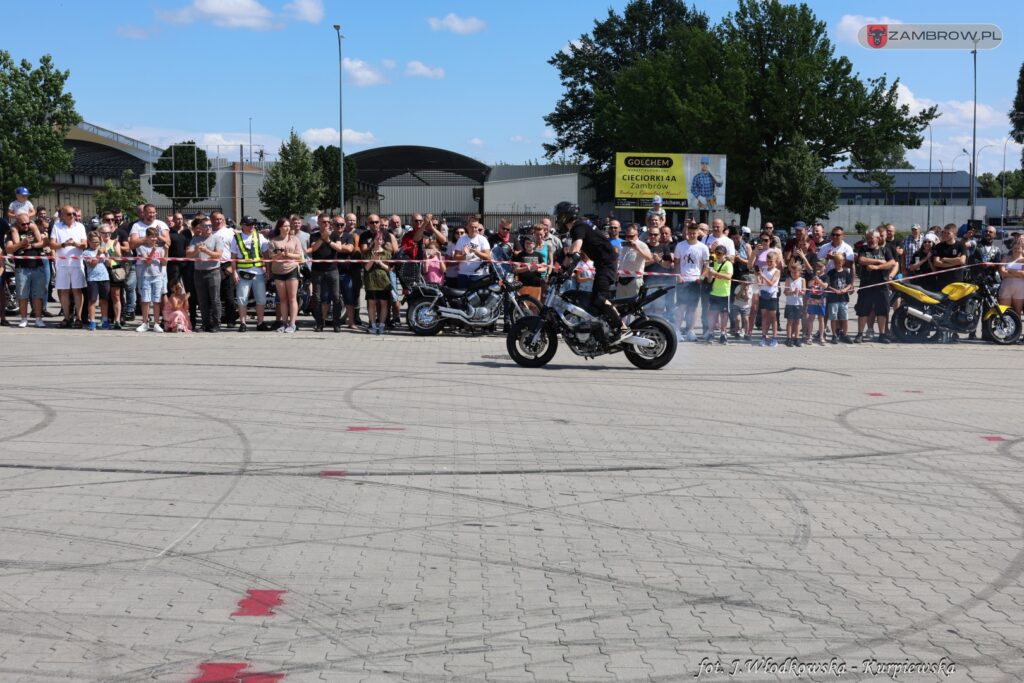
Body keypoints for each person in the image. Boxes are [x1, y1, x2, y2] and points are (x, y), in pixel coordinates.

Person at [557, 200, 628, 341]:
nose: (558, 219)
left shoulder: (578, 227)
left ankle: (622, 328)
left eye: (559, 215)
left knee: (601, 299)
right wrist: (563, 268)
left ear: (565, 216)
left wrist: (567, 269)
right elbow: (573, 250)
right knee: (595, 301)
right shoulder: (581, 223)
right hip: (603, 263)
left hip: (606, 264)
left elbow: (576, 248)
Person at [187, 216, 229, 333]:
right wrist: (197, 250)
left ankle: (216, 324)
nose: (209, 228)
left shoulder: (217, 239)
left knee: (215, 299)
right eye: (206, 226)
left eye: (210, 226)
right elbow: (189, 255)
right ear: (200, 227)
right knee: (202, 300)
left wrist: (206, 251)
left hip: (213, 271)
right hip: (199, 272)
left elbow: (218, 255)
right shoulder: (195, 239)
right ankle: (205, 324)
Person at [229, 216, 271, 332]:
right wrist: (234, 273)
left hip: (258, 273)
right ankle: (243, 323)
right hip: (243, 273)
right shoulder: (236, 238)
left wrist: (268, 270)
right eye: (248, 224)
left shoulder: (260, 236)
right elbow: (233, 257)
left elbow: (266, 255)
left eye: (253, 224)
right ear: (242, 225)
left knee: (261, 299)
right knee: (242, 299)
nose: (251, 226)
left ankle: (260, 322)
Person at [854, 229, 896, 344]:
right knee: (863, 310)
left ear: (878, 238)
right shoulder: (863, 249)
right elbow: (862, 260)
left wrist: (877, 267)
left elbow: (892, 263)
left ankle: (882, 335)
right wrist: (879, 261)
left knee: (882, 310)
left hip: (881, 285)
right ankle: (860, 334)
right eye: (868, 238)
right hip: (866, 284)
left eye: (871, 238)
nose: (869, 240)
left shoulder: (885, 250)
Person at [5, 212, 47, 328]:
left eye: (28, 223)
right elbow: (8, 249)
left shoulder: (33, 228)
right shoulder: (12, 231)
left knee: (38, 295)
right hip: (22, 269)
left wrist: (32, 246)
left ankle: (38, 318)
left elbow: (44, 243)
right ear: (17, 223)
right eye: (23, 224)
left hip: (38, 267)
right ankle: (23, 319)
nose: (26, 226)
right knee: (22, 295)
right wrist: (21, 244)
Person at [49, 205, 87, 328]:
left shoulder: (80, 226)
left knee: (77, 290)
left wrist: (75, 243)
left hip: (76, 264)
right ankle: (66, 317)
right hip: (62, 264)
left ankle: (79, 318)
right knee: (63, 291)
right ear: (63, 215)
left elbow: (84, 244)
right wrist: (64, 244)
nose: (72, 216)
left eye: (74, 214)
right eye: (69, 214)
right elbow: (52, 244)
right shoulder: (57, 226)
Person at [673, 221, 709, 341]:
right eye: (690, 233)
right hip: (683, 281)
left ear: (698, 233)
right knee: (681, 306)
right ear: (687, 232)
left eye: (694, 233)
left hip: (696, 281)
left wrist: (702, 277)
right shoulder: (680, 245)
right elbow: (677, 262)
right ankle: (677, 330)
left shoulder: (703, 247)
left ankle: (690, 331)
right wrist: (678, 275)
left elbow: (707, 265)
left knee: (693, 308)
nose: (692, 235)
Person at [307, 214, 343, 332]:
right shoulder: (314, 236)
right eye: (323, 222)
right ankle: (319, 323)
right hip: (317, 271)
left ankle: (336, 324)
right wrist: (322, 239)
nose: (326, 224)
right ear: (318, 223)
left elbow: (339, 248)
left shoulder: (335, 235)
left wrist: (328, 240)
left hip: (332, 270)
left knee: (336, 297)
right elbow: (313, 249)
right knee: (317, 298)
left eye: (328, 222)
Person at [269, 217, 303, 333]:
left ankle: (292, 323)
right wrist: (279, 254)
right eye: (285, 226)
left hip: (292, 270)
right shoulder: (274, 241)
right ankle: (284, 323)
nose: (287, 228)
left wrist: (288, 254)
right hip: (278, 271)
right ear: (279, 227)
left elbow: (299, 256)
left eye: (289, 226)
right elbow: (271, 257)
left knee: (292, 298)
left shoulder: (295, 240)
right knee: (282, 299)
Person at [135, 227, 166, 332]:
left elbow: (164, 263)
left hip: (158, 276)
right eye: (151, 237)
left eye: (155, 237)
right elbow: (147, 262)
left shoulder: (161, 248)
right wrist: (153, 251)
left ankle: (156, 323)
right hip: (146, 276)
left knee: (157, 300)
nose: (153, 239)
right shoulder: (141, 248)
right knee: (145, 300)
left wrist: (166, 250)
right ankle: (145, 323)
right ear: (147, 237)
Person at [363, 227, 392, 335]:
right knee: (371, 304)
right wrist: (373, 259)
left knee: (384, 303)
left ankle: (382, 325)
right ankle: (373, 325)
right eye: (377, 239)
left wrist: (380, 263)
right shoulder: (368, 253)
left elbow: (390, 269)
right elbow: (366, 268)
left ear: (383, 241)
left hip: (384, 282)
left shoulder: (387, 253)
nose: (379, 241)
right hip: (371, 281)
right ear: (373, 240)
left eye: (381, 239)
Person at [98, 222, 126, 329]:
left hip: (115, 269)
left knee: (116, 296)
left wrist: (111, 250)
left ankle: (117, 320)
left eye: (109, 233)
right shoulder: (97, 243)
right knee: (103, 297)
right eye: (104, 233)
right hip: (101, 270)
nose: (106, 235)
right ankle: (104, 318)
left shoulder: (114, 242)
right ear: (99, 233)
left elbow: (119, 257)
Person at [703, 243, 732, 344]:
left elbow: (729, 276)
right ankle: (711, 333)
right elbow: (710, 280)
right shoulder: (713, 264)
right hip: (714, 293)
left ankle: (723, 334)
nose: (719, 255)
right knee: (712, 314)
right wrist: (710, 273)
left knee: (724, 315)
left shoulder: (728, 264)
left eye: (721, 253)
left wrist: (715, 273)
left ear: (724, 254)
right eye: (717, 253)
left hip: (724, 293)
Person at [81, 231, 111, 331]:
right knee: (92, 300)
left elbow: (109, 264)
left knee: (104, 300)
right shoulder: (86, 252)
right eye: (93, 241)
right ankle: (92, 321)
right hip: (93, 279)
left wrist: (106, 255)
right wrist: (98, 254)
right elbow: (92, 264)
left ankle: (105, 320)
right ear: (89, 241)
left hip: (104, 277)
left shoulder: (103, 250)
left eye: (98, 242)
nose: (96, 244)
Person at [616, 223, 652, 300]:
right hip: (621, 279)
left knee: (634, 306)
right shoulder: (624, 245)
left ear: (637, 234)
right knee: (620, 305)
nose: (629, 239)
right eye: (627, 236)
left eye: (631, 236)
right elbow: (621, 261)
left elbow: (649, 257)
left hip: (634, 279)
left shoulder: (642, 245)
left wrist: (637, 248)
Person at [452, 218, 491, 288]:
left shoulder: (483, 239)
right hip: (463, 274)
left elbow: (488, 257)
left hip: (478, 275)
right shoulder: (461, 239)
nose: (473, 229)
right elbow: (455, 257)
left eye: (475, 227)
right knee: (462, 297)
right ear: (467, 227)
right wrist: (465, 256)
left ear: (478, 227)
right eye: (471, 227)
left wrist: (476, 252)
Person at [998, 238, 1024, 339]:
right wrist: (1018, 273)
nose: (1016, 250)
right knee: (1005, 312)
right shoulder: (1006, 258)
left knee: (1017, 312)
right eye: (1015, 248)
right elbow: (1002, 272)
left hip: (1020, 289)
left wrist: (1010, 270)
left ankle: (1016, 334)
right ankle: (1007, 333)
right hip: (1006, 287)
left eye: (1019, 248)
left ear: (1022, 249)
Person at [826, 252, 854, 344]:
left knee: (844, 317)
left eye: (839, 262)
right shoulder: (830, 273)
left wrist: (845, 289)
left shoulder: (846, 272)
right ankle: (834, 335)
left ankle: (845, 334)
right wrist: (835, 290)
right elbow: (827, 285)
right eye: (836, 262)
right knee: (833, 317)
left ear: (843, 262)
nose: (838, 264)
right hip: (833, 299)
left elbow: (850, 284)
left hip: (843, 299)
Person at [930, 223, 967, 292]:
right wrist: (955, 262)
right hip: (943, 281)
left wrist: (945, 259)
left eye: (948, 233)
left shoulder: (961, 245)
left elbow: (962, 261)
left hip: (957, 280)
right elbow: (937, 263)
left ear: (954, 234)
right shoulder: (939, 246)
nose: (945, 235)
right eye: (944, 233)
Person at [756, 250, 781, 347]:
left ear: (776, 261)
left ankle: (775, 338)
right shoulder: (764, 269)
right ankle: (763, 336)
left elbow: (771, 283)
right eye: (768, 261)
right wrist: (758, 277)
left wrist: (763, 276)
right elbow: (761, 283)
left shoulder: (777, 271)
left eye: (771, 261)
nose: (769, 263)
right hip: (764, 295)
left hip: (772, 296)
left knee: (773, 318)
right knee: (764, 317)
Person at [512, 233, 545, 301]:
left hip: (536, 285)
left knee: (535, 307)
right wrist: (527, 268)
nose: (528, 245)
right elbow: (516, 269)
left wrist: (537, 269)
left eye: (530, 243)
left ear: (534, 244)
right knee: (523, 306)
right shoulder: (520, 255)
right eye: (526, 243)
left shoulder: (539, 255)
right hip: (523, 285)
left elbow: (544, 268)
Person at [783, 261, 805, 347]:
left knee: (797, 322)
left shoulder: (802, 280)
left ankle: (797, 338)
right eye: (792, 272)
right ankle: (788, 338)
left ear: (800, 272)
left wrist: (799, 292)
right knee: (790, 322)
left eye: (795, 272)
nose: (793, 274)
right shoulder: (788, 280)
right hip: (790, 304)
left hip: (798, 304)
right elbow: (785, 292)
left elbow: (803, 292)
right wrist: (791, 292)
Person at [805, 261, 828, 345]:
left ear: (824, 268)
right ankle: (809, 336)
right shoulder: (812, 276)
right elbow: (809, 285)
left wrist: (818, 280)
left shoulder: (826, 276)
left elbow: (825, 286)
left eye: (820, 267)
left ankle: (821, 336)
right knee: (811, 318)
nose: (818, 269)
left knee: (821, 318)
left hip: (821, 299)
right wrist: (814, 279)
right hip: (812, 299)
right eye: (817, 267)